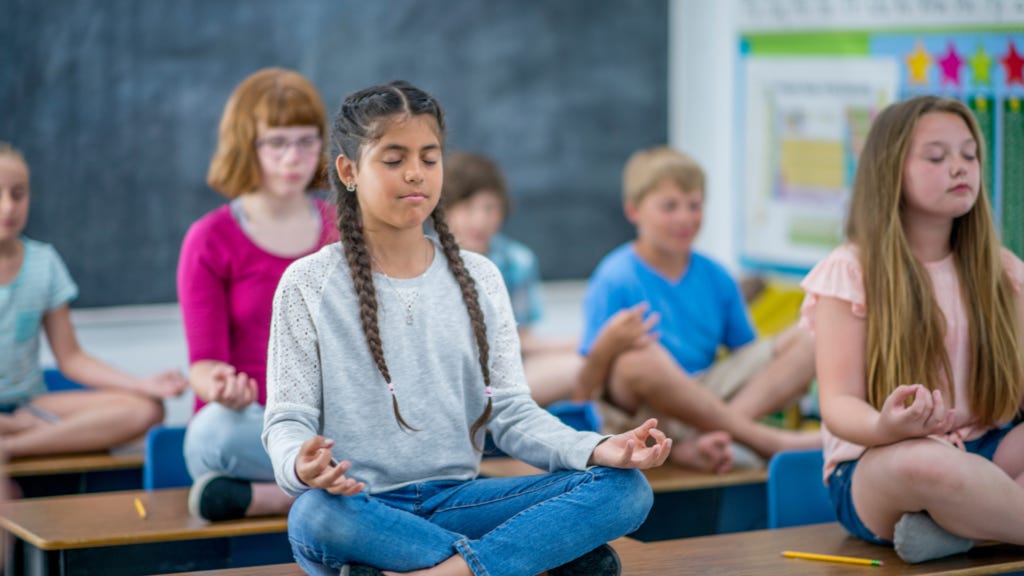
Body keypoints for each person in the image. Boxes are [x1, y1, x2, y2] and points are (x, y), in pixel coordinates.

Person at [262, 81, 671, 576]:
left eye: (429, 158)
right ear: (348, 170)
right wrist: (299, 464)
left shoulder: (479, 278)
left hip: (460, 498)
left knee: (624, 489)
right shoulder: (307, 284)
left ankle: (435, 572)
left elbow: (513, 415)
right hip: (357, 507)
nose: (415, 173)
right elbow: (287, 421)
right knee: (313, 514)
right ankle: (516, 563)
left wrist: (595, 447)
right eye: (393, 160)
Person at [801, 95, 1024, 563]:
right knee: (930, 462)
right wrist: (885, 426)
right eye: (937, 157)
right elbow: (838, 403)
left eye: (969, 155)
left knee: (961, 472)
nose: (960, 168)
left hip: (992, 449)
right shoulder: (850, 271)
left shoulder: (1004, 271)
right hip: (880, 464)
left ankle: (957, 529)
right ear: (890, 172)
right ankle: (975, 520)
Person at [577, 146, 821, 473]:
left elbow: (750, 357)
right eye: (669, 206)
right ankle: (762, 440)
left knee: (812, 335)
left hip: (707, 401)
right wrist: (606, 345)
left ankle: (712, 437)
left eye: (694, 205)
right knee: (637, 360)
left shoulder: (716, 276)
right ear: (634, 211)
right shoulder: (615, 277)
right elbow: (583, 392)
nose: (685, 218)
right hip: (643, 416)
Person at [176, 68, 338, 521]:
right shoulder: (209, 239)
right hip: (253, 425)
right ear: (247, 146)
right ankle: (357, 489)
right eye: (277, 143)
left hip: (333, 420)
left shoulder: (344, 229)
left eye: (306, 141)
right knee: (211, 433)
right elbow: (204, 366)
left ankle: (273, 499)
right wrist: (223, 390)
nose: (294, 158)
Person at [0, 142, 186, 459]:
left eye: (18, 195)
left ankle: (12, 444)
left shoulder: (43, 262)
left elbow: (71, 358)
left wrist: (141, 384)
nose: (8, 207)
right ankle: (26, 431)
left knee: (146, 409)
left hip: (29, 406)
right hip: (26, 418)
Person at [441, 151, 583, 406]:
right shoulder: (427, 259)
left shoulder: (517, 261)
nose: (480, 220)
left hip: (507, 373)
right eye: (467, 208)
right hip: (450, 377)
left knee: (581, 365)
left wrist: (576, 345)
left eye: (489, 208)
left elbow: (522, 340)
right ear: (445, 210)